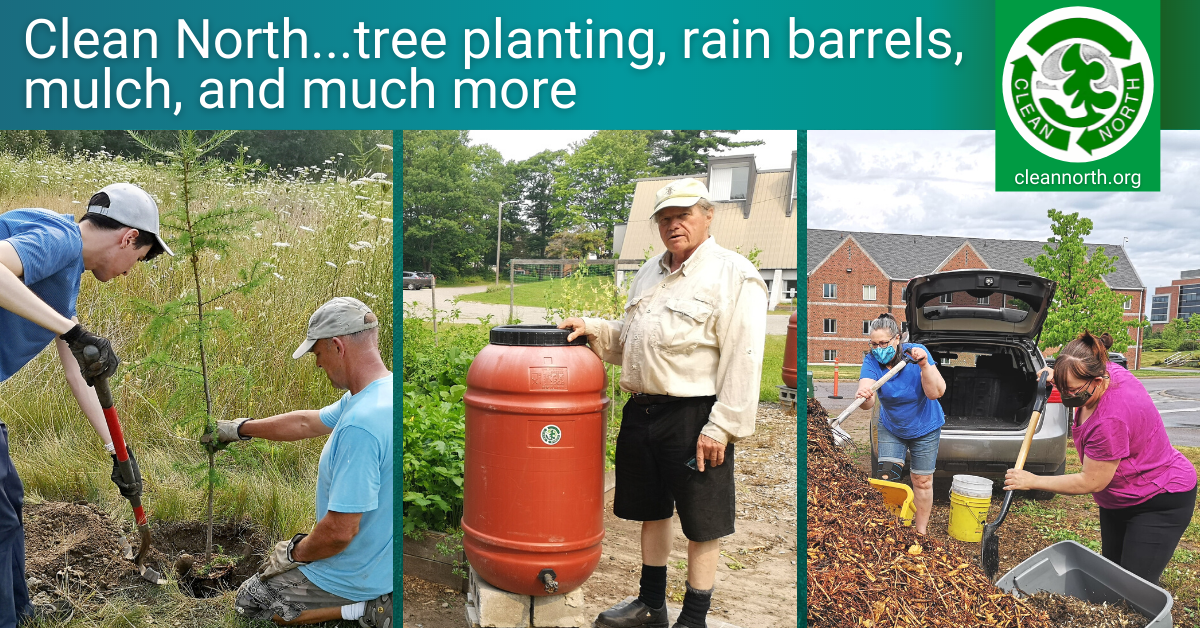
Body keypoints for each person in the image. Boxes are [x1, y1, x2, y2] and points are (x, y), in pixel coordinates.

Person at [558, 178, 767, 628]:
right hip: (643, 411)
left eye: (683, 215)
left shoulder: (733, 274)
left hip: (695, 416)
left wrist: (722, 426)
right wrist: (593, 328)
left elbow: (744, 357)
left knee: (701, 522)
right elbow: (633, 339)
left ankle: (694, 618)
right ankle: (651, 605)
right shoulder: (649, 271)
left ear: (708, 216)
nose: (674, 225)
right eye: (665, 218)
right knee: (651, 511)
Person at [0, 183, 171, 624]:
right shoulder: (59, 238)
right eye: (140, 258)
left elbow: (79, 371)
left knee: (9, 504)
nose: (131, 271)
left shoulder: (65, 270)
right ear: (128, 237)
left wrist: (117, 448)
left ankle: (19, 610)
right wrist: (73, 332)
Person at [211, 297, 393, 627]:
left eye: (317, 353)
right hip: (378, 563)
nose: (317, 364)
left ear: (337, 346)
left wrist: (294, 553)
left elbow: (339, 532)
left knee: (251, 604)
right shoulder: (379, 394)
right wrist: (238, 429)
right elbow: (306, 423)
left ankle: (364, 611)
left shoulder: (361, 425)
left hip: (352, 575)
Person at [1005, 331, 1197, 585]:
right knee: (1112, 575)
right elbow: (1076, 369)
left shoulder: (1110, 420)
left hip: (1158, 498)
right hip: (1119, 499)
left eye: (1072, 389)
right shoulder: (1106, 371)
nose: (1066, 395)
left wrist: (1032, 480)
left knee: (1134, 586)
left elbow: (1091, 481)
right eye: (1062, 386)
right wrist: (1057, 374)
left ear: (1097, 380)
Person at [855, 313, 947, 535]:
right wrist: (864, 395)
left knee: (922, 480)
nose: (878, 348)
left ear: (897, 339)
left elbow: (936, 392)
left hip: (925, 426)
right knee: (887, 480)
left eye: (883, 343)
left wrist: (924, 364)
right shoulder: (871, 360)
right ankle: (892, 530)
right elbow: (867, 404)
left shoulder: (915, 353)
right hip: (892, 427)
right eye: (874, 344)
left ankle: (920, 532)